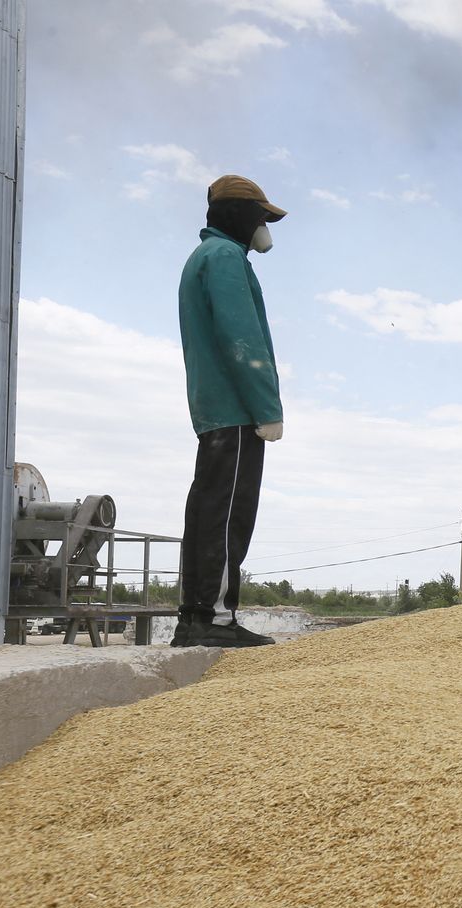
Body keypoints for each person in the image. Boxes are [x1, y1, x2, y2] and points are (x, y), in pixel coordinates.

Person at [171, 175, 288, 648]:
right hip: (236, 409)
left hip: (213, 408)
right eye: (261, 216)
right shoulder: (224, 258)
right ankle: (216, 620)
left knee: (206, 510)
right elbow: (242, 339)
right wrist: (268, 407)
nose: (265, 226)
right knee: (228, 514)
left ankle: (194, 617)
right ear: (241, 215)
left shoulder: (202, 257)